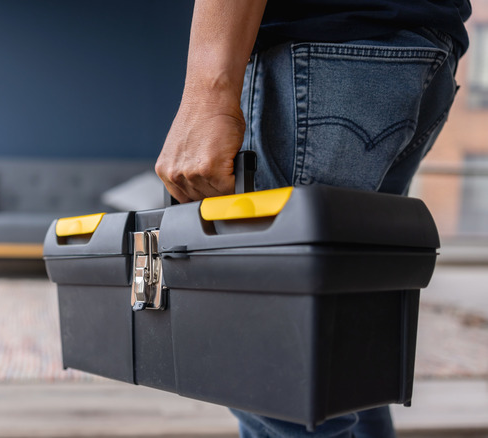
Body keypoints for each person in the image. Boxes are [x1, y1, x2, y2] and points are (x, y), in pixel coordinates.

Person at [155, 1, 471, 437]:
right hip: (420, 51)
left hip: (321, 56)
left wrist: (206, 95)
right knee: (343, 351)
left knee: (270, 377)